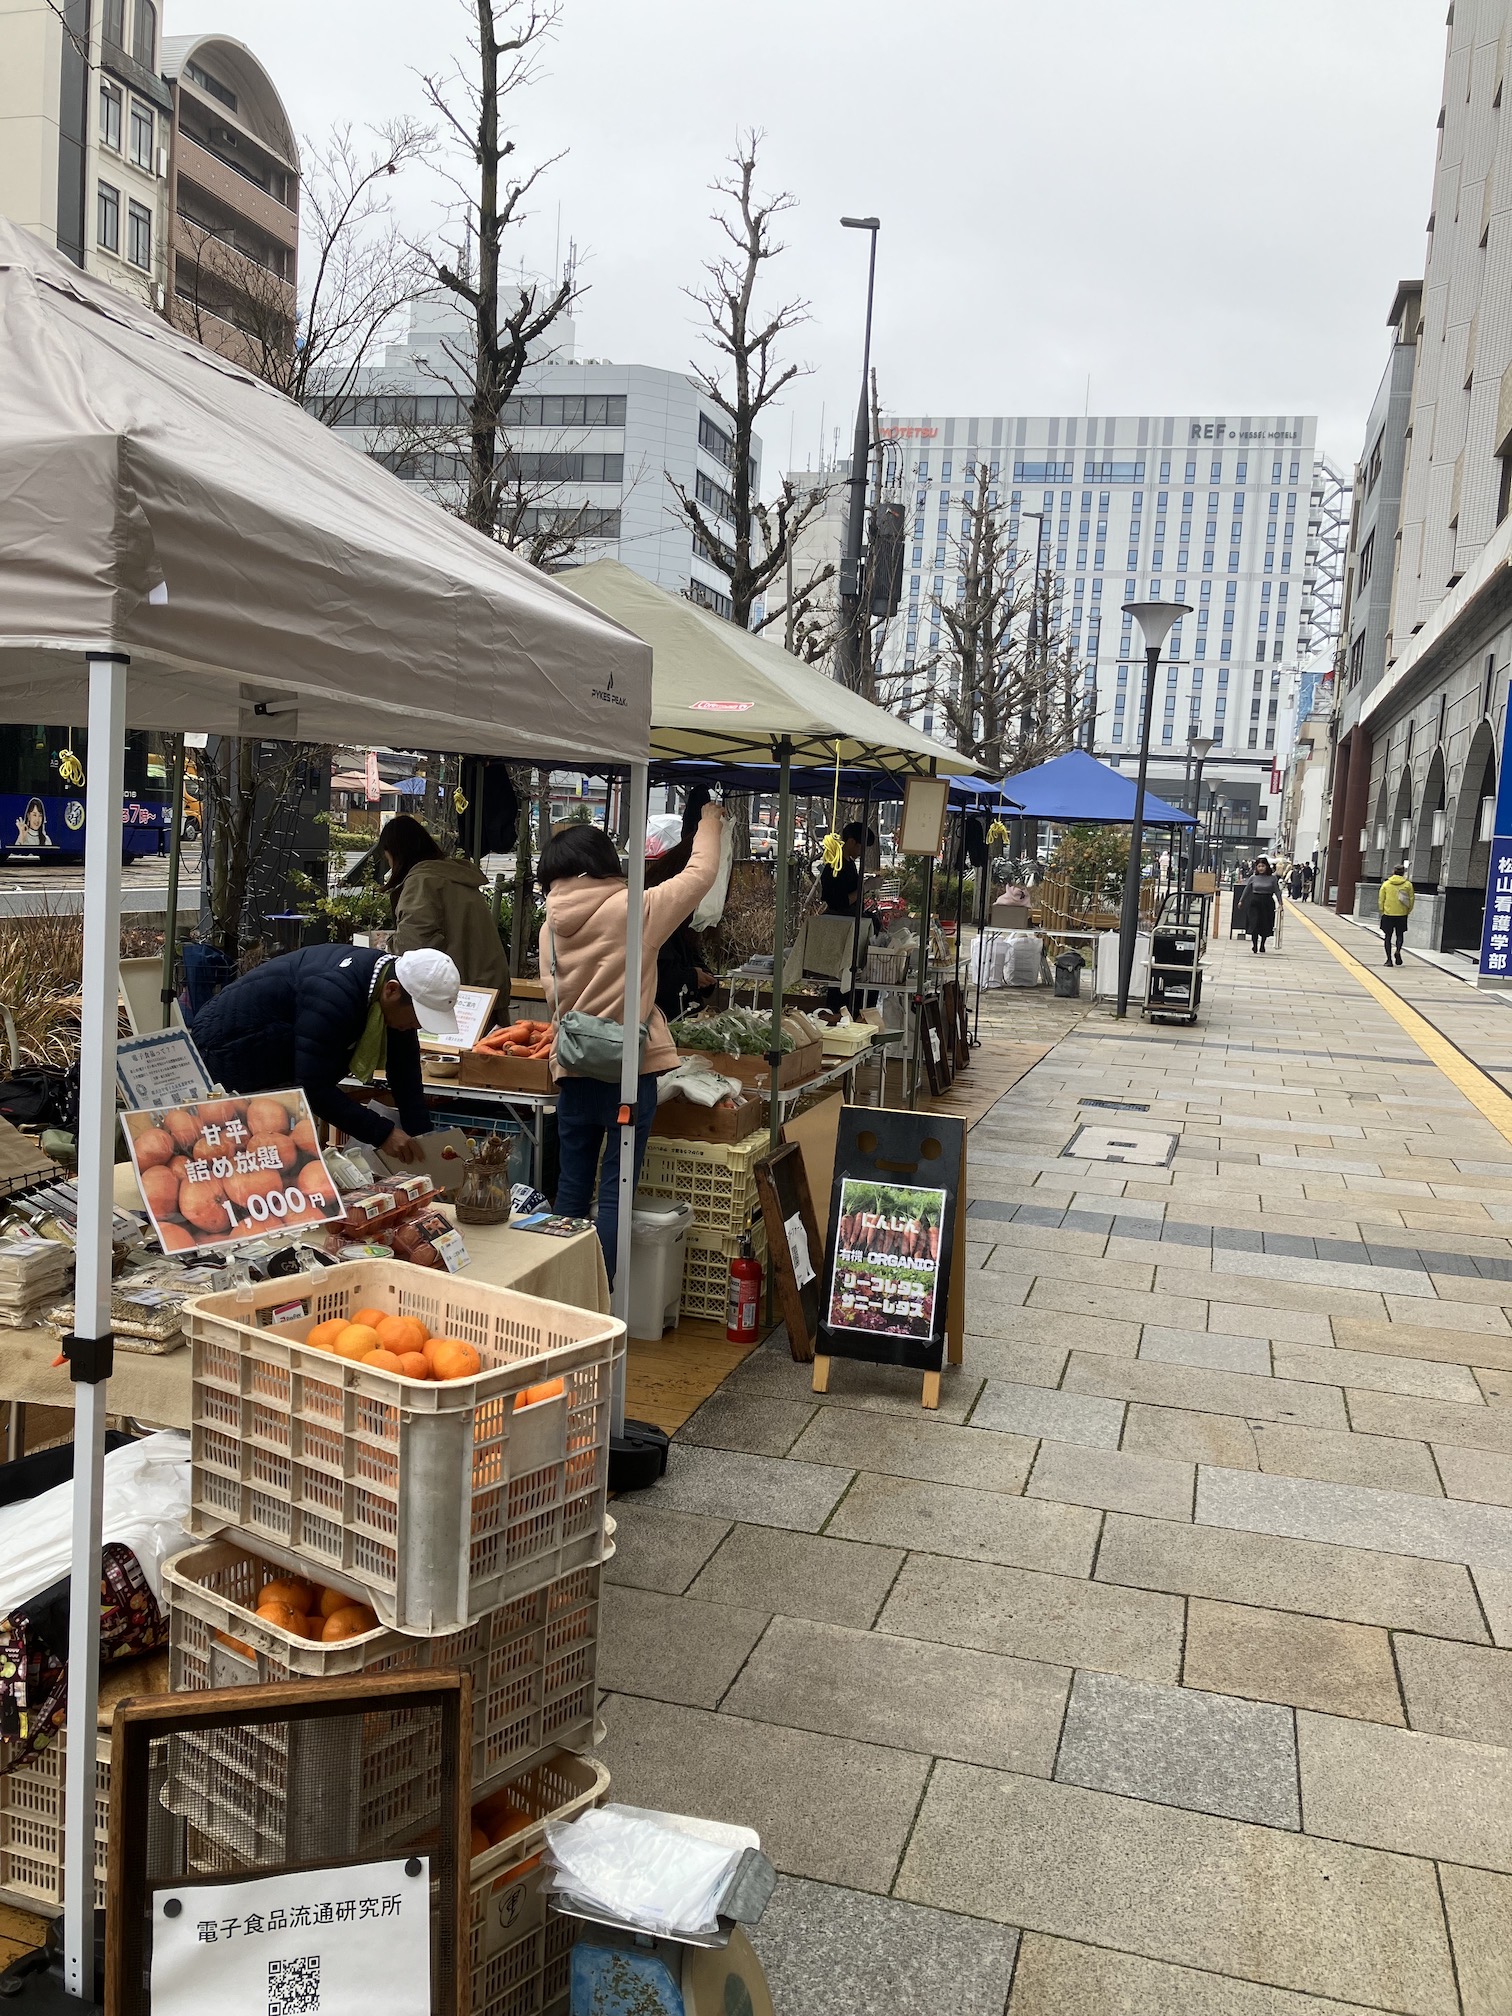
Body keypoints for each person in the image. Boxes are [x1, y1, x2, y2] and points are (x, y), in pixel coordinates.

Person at [540, 800, 723, 1284]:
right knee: (617, 1191)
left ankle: (563, 1295)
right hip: (627, 1073)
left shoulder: (549, 929)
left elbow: (554, 995)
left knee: (572, 1190)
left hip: (573, 1071)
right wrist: (708, 822)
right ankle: (602, 1296)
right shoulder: (635, 910)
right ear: (604, 864)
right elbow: (700, 874)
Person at [190, 944, 460, 1159]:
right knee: (260, 1149)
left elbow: (405, 1072)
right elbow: (313, 1087)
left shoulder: (389, 982)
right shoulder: (334, 992)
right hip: (228, 1047)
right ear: (392, 991)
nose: (415, 1027)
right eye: (417, 1018)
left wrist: (426, 1143)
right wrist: (383, 1133)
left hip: (275, 1044)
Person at [377, 814, 510, 1006]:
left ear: (395, 853)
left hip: (456, 994)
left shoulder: (422, 882)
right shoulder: (454, 875)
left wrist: (388, 945)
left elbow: (413, 947)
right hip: (488, 987)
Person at [1378, 862, 1415, 966]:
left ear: (1393, 872)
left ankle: (1389, 960)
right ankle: (1398, 950)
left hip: (1388, 913)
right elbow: (1411, 899)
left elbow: (1381, 899)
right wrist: (1408, 910)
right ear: (1403, 873)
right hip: (1401, 914)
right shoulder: (1408, 885)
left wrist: (1382, 910)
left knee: (1388, 936)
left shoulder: (1386, 884)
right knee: (1400, 934)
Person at [1245, 856, 1282, 954]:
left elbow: (1277, 891)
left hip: (1267, 903)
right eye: (1259, 866)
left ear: (1267, 867)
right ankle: (1254, 945)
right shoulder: (1253, 878)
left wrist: (1280, 903)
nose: (1261, 868)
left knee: (1265, 924)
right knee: (1254, 924)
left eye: (1263, 866)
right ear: (1256, 867)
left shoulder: (1273, 878)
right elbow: (1247, 890)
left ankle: (1262, 944)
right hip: (1255, 902)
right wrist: (1241, 901)